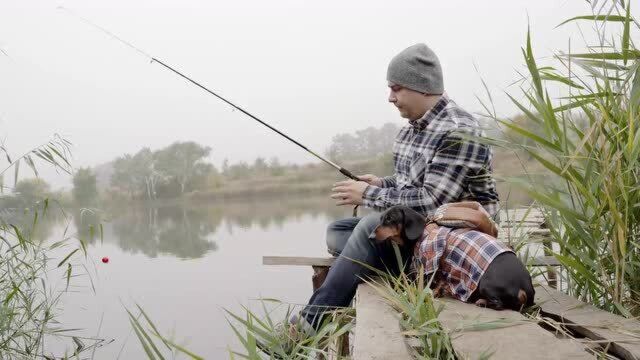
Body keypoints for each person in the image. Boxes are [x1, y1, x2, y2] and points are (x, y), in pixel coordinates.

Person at [295, 43, 501, 335]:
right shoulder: (409, 130)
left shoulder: (459, 131)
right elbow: (410, 184)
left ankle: (309, 323)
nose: (390, 98)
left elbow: (432, 201)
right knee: (339, 230)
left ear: (424, 87)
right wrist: (380, 183)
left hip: (455, 240)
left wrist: (367, 196)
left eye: (396, 88)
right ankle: (380, 258)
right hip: (416, 231)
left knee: (369, 226)